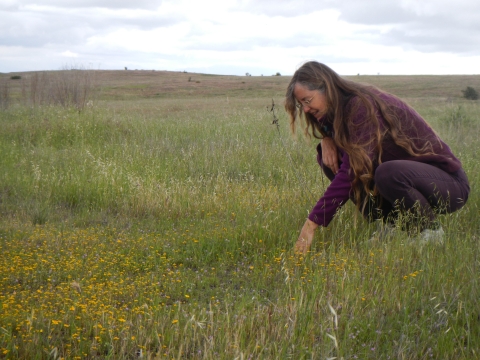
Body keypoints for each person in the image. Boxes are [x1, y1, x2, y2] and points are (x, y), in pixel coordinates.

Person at [284, 61, 470, 254]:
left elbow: (353, 169)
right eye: (301, 104)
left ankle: (430, 233)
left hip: (448, 185)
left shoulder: (361, 105)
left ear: (327, 89)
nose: (305, 109)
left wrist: (312, 224)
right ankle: (389, 225)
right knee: (329, 158)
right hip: (412, 178)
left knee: (388, 173)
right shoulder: (335, 111)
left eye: (308, 100)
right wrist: (327, 138)